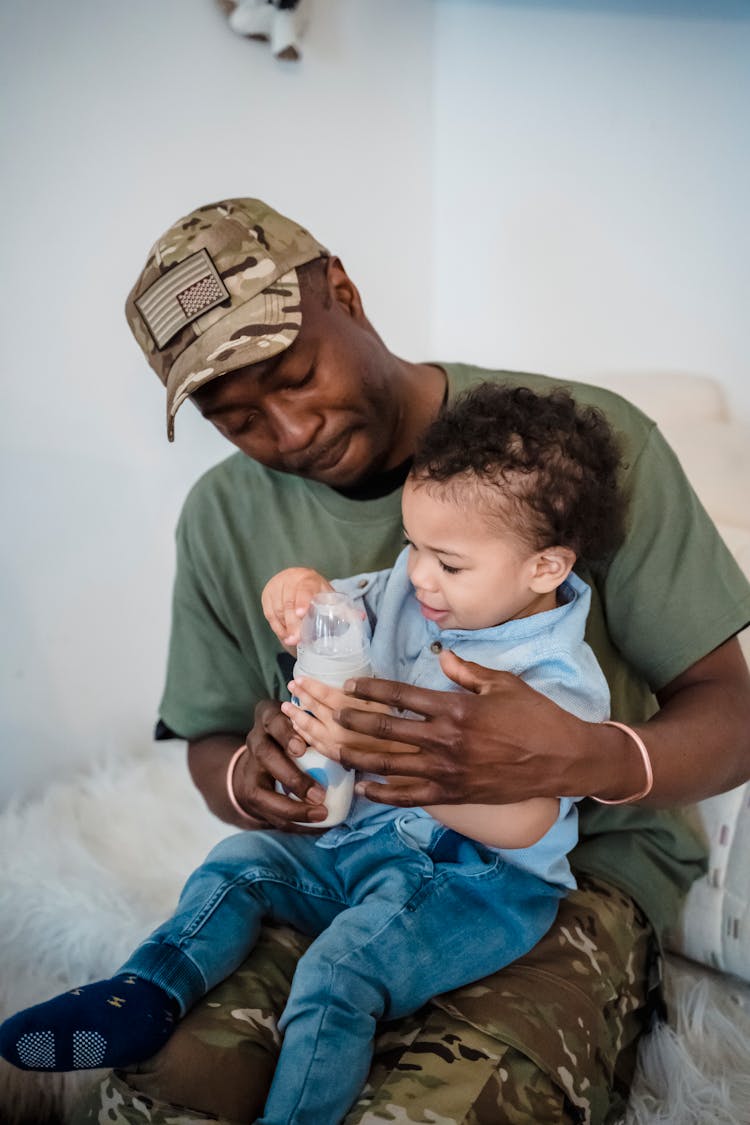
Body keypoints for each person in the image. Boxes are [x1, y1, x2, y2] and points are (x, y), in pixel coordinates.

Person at [52, 197, 750, 1124]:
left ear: (344, 289)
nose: (289, 430)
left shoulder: (586, 449)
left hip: (557, 878)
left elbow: (731, 713)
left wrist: (578, 756)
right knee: (171, 1086)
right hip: (346, 846)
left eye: (295, 375)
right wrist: (248, 776)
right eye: (238, 417)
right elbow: (214, 737)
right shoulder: (223, 515)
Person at [0, 385, 625, 1125]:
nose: (419, 575)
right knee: (241, 862)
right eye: (412, 545)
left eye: (448, 563)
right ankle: (144, 991)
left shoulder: (557, 676)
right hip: (364, 841)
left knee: (339, 970)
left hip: (479, 886)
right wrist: (301, 594)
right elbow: (342, 615)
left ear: (545, 567)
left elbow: (527, 822)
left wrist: (389, 766)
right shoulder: (414, 589)